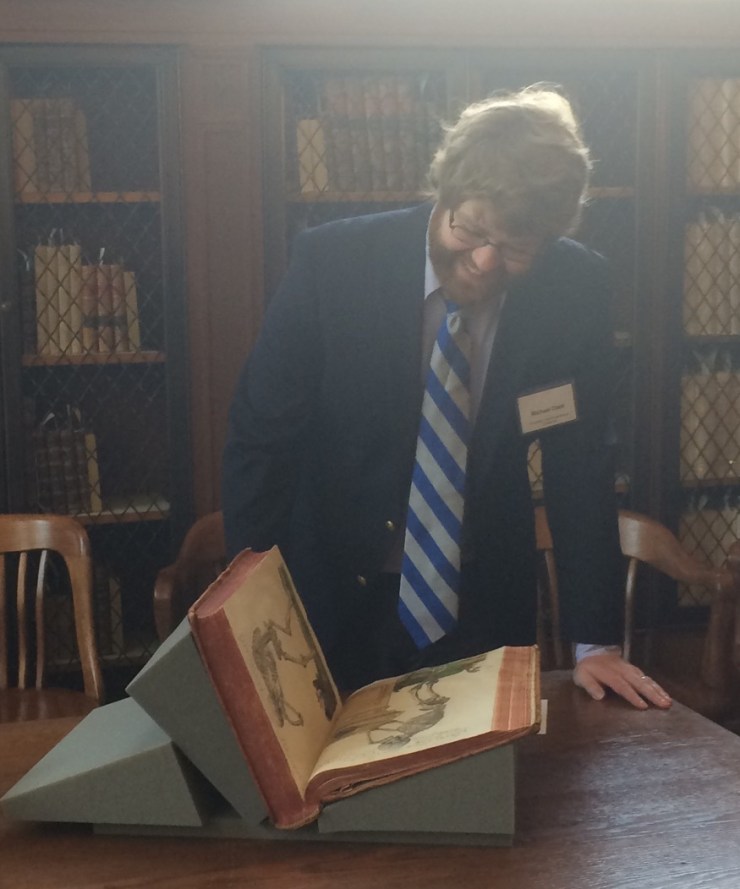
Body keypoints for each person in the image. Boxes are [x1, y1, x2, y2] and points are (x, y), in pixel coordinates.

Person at [222, 85, 671, 711]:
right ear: (446, 191)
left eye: (516, 249)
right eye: (470, 229)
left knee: (486, 796)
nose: (485, 262)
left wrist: (596, 642)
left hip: (484, 604)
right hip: (329, 595)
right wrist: (252, 612)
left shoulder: (576, 287)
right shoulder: (336, 263)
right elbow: (261, 441)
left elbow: (580, 464)